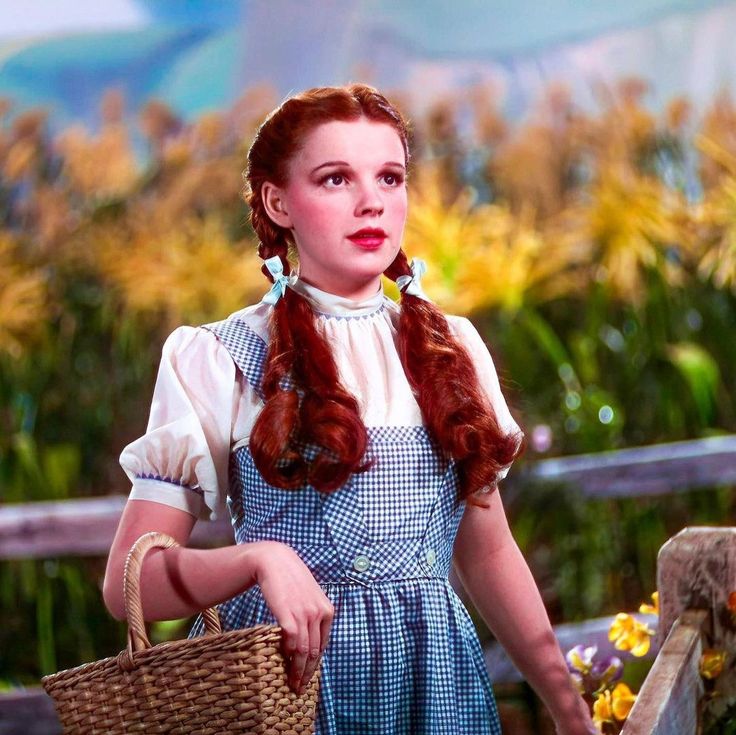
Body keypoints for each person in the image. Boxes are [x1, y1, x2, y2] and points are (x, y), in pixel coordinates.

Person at [103, 83, 596, 734]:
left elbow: (488, 552)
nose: (372, 203)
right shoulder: (221, 357)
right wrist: (260, 559)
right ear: (278, 202)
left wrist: (569, 710)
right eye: (336, 178)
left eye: (390, 177)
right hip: (284, 691)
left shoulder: (451, 350)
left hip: (433, 689)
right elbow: (128, 583)